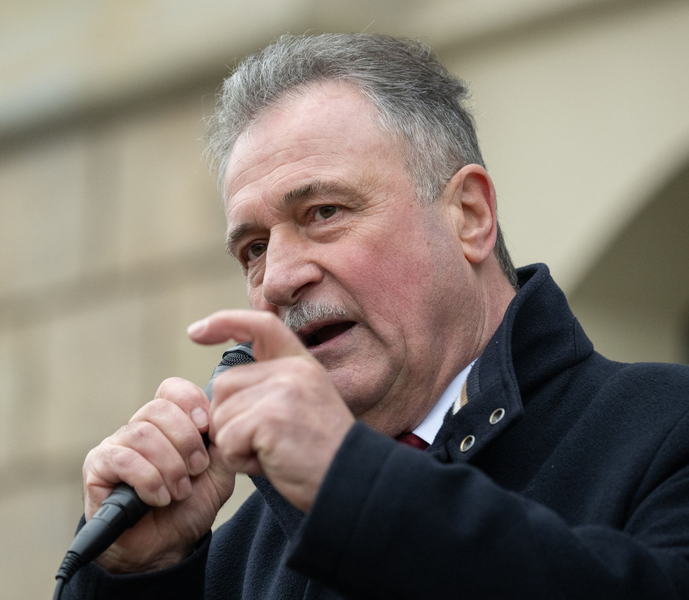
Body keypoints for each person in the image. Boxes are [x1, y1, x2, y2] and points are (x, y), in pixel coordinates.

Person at [64, 34, 689, 599]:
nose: (279, 278)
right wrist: (137, 579)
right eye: (254, 249)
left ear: (469, 214)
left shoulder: (667, 434)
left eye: (324, 212)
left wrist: (352, 490)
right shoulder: (239, 552)